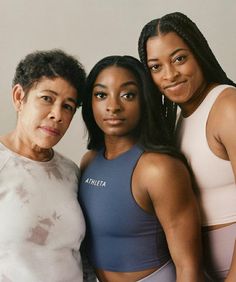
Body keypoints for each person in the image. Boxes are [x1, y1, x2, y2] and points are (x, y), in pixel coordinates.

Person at [79, 55, 204, 282]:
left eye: (128, 95)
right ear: (90, 102)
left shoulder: (158, 169)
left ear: (144, 100)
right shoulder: (88, 162)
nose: (113, 106)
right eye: (101, 95)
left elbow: (189, 266)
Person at [138, 11, 236, 282]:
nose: (169, 75)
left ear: (199, 54)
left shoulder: (227, 106)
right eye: (156, 67)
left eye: (179, 58)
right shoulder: (179, 121)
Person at [0, 49, 95, 282]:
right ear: (18, 96)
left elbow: (80, 257)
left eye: (68, 106)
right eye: (47, 99)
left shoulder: (70, 172)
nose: (57, 115)